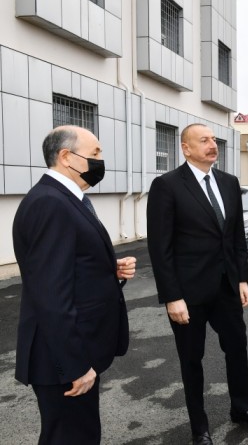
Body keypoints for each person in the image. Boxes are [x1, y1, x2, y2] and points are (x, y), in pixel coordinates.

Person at [147, 123, 248, 445]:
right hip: (188, 294)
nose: (211, 144)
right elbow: (160, 248)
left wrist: (242, 278)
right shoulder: (167, 185)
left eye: (214, 140)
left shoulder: (228, 183)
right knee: (192, 359)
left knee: (237, 349)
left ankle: (242, 409)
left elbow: (232, 235)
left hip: (226, 287)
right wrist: (171, 297)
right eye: (203, 140)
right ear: (186, 148)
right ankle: (199, 428)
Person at [13, 125, 137, 444]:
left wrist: (110, 271)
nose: (100, 160)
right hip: (63, 360)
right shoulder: (50, 204)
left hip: (72, 352)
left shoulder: (68, 198)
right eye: (95, 154)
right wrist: (76, 366)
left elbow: (69, 270)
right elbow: (51, 296)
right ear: (67, 157)